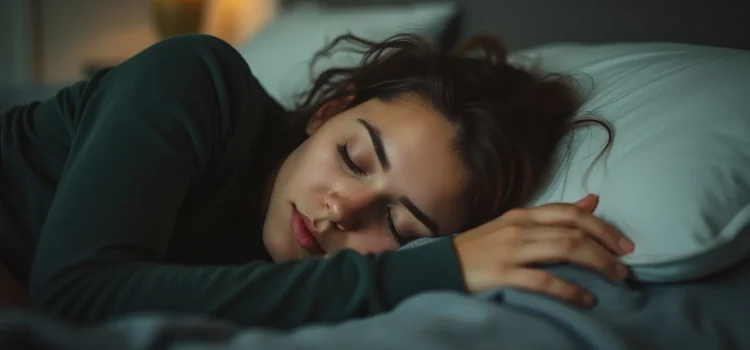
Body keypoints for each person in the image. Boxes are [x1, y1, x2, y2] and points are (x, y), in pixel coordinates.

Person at [0, 33, 633, 329]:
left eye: (398, 224)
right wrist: (431, 267)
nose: (340, 212)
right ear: (329, 111)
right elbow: (75, 291)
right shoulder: (197, 79)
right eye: (354, 159)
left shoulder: (303, 283)